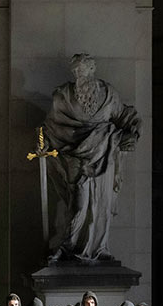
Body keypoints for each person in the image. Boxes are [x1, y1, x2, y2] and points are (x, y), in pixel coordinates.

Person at [43, 53, 140, 263]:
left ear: (91, 69)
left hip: (104, 154)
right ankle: (67, 248)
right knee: (79, 204)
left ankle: (98, 248)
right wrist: (43, 140)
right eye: (75, 70)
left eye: (82, 69)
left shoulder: (107, 94)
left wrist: (131, 135)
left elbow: (126, 117)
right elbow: (50, 126)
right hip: (75, 157)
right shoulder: (63, 95)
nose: (78, 73)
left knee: (101, 205)